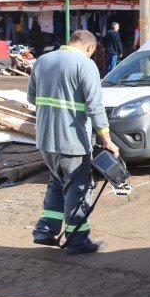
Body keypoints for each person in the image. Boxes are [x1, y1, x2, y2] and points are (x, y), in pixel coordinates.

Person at [29, 30, 120, 255]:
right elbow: (95, 107)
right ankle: (78, 240)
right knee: (78, 189)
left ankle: (45, 230)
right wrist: (107, 140)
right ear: (89, 47)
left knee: (58, 182)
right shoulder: (85, 65)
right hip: (72, 141)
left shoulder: (43, 60)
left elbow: (32, 98)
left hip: (45, 140)